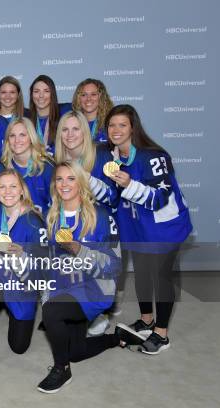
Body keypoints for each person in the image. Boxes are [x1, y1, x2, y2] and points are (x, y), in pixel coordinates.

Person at [37, 161, 136, 393]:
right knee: (76, 351)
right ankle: (117, 338)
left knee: (52, 312)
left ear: (81, 182)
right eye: (59, 179)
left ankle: (62, 369)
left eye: (71, 178)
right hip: (64, 288)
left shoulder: (102, 216)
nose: (64, 184)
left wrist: (78, 249)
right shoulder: (51, 217)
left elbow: (113, 266)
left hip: (93, 289)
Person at [106, 105, 192, 354]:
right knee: (142, 272)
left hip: (165, 227)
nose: (116, 130)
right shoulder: (113, 158)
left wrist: (130, 184)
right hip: (137, 226)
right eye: (112, 125)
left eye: (122, 125)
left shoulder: (153, 156)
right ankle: (146, 321)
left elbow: (160, 198)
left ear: (133, 127)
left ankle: (162, 334)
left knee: (162, 276)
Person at [0, 169, 47, 379]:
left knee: (18, 347)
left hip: (21, 284)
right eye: (2, 187)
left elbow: (42, 269)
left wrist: (21, 256)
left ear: (22, 190)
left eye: (13, 186)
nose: (7, 191)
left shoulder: (34, 222)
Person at [54, 110, 120, 336]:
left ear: (85, 131)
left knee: (96, 262)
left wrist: (83, 178)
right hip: (72, 219)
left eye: (76, 129)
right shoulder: (58, 158)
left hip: (97, 220)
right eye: (65, 129)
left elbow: (114, 196)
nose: (70, 134)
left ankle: (99, 310)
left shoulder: (101, 155)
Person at [0, 117, 54, 215]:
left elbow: (57, 207)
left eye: (22, 135)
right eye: (12, 136)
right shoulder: (2, 169)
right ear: (8, 140)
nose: (17, 140)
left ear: (31, 138)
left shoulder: (47, 168)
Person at [27, 75, 71, 153]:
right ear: (31, 95)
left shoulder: (65, 112)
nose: (41, 96)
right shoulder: (26, 119)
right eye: (36, 91)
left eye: (46, 91)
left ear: (52, 94)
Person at [71, 78, 113, 143]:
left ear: (101, 97)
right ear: (78, 98)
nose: (88, 99)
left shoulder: (110, 124)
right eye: (84, 95)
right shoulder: (71, 124)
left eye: (93, 94)